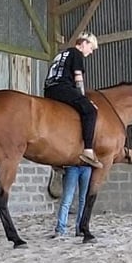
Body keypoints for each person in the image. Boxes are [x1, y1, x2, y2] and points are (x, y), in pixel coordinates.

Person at [43, 32, 102, 168]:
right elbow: (78, 77)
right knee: (90, 111)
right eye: (91, 48)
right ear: (84, 43)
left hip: (49, 90)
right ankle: (88, 150)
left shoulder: (61, 54)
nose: (91, 52)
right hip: (62, 88)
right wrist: (83, 99)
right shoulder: (76, 53)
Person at [53, 165, 91, 237]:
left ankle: (79, 228)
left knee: (82, 200)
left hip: (86, 166)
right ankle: (61, 228)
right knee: (67, 200)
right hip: (72, 166)